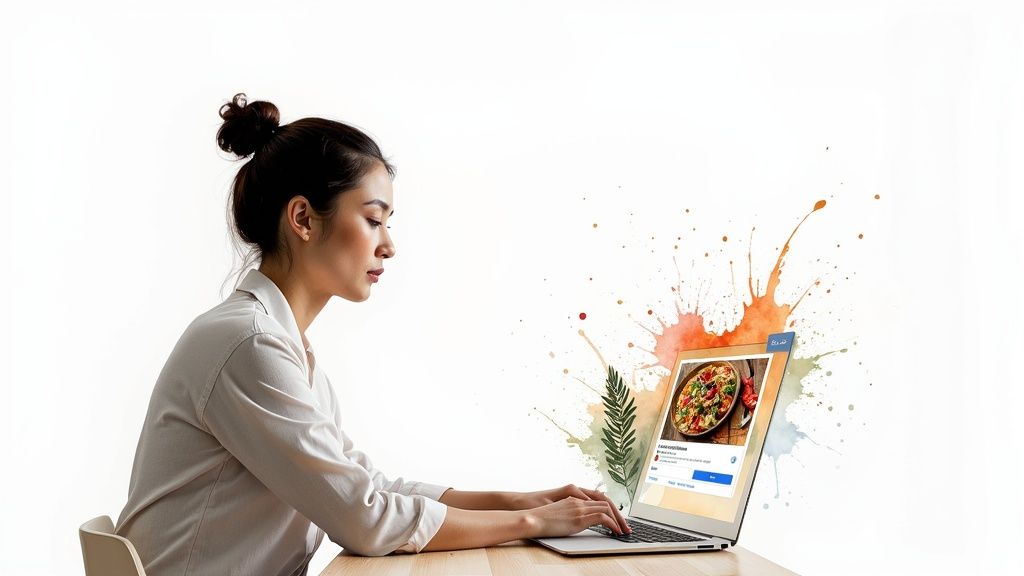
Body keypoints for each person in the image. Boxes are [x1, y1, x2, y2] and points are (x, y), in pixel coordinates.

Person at [114, 93, 631, 576]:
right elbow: (366, 519)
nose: (388, 246)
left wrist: (517, 501)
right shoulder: (248, 344)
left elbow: (370, 490)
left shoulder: (279, 346)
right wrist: (535, 525)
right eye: (373, 219)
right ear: (303, 219)